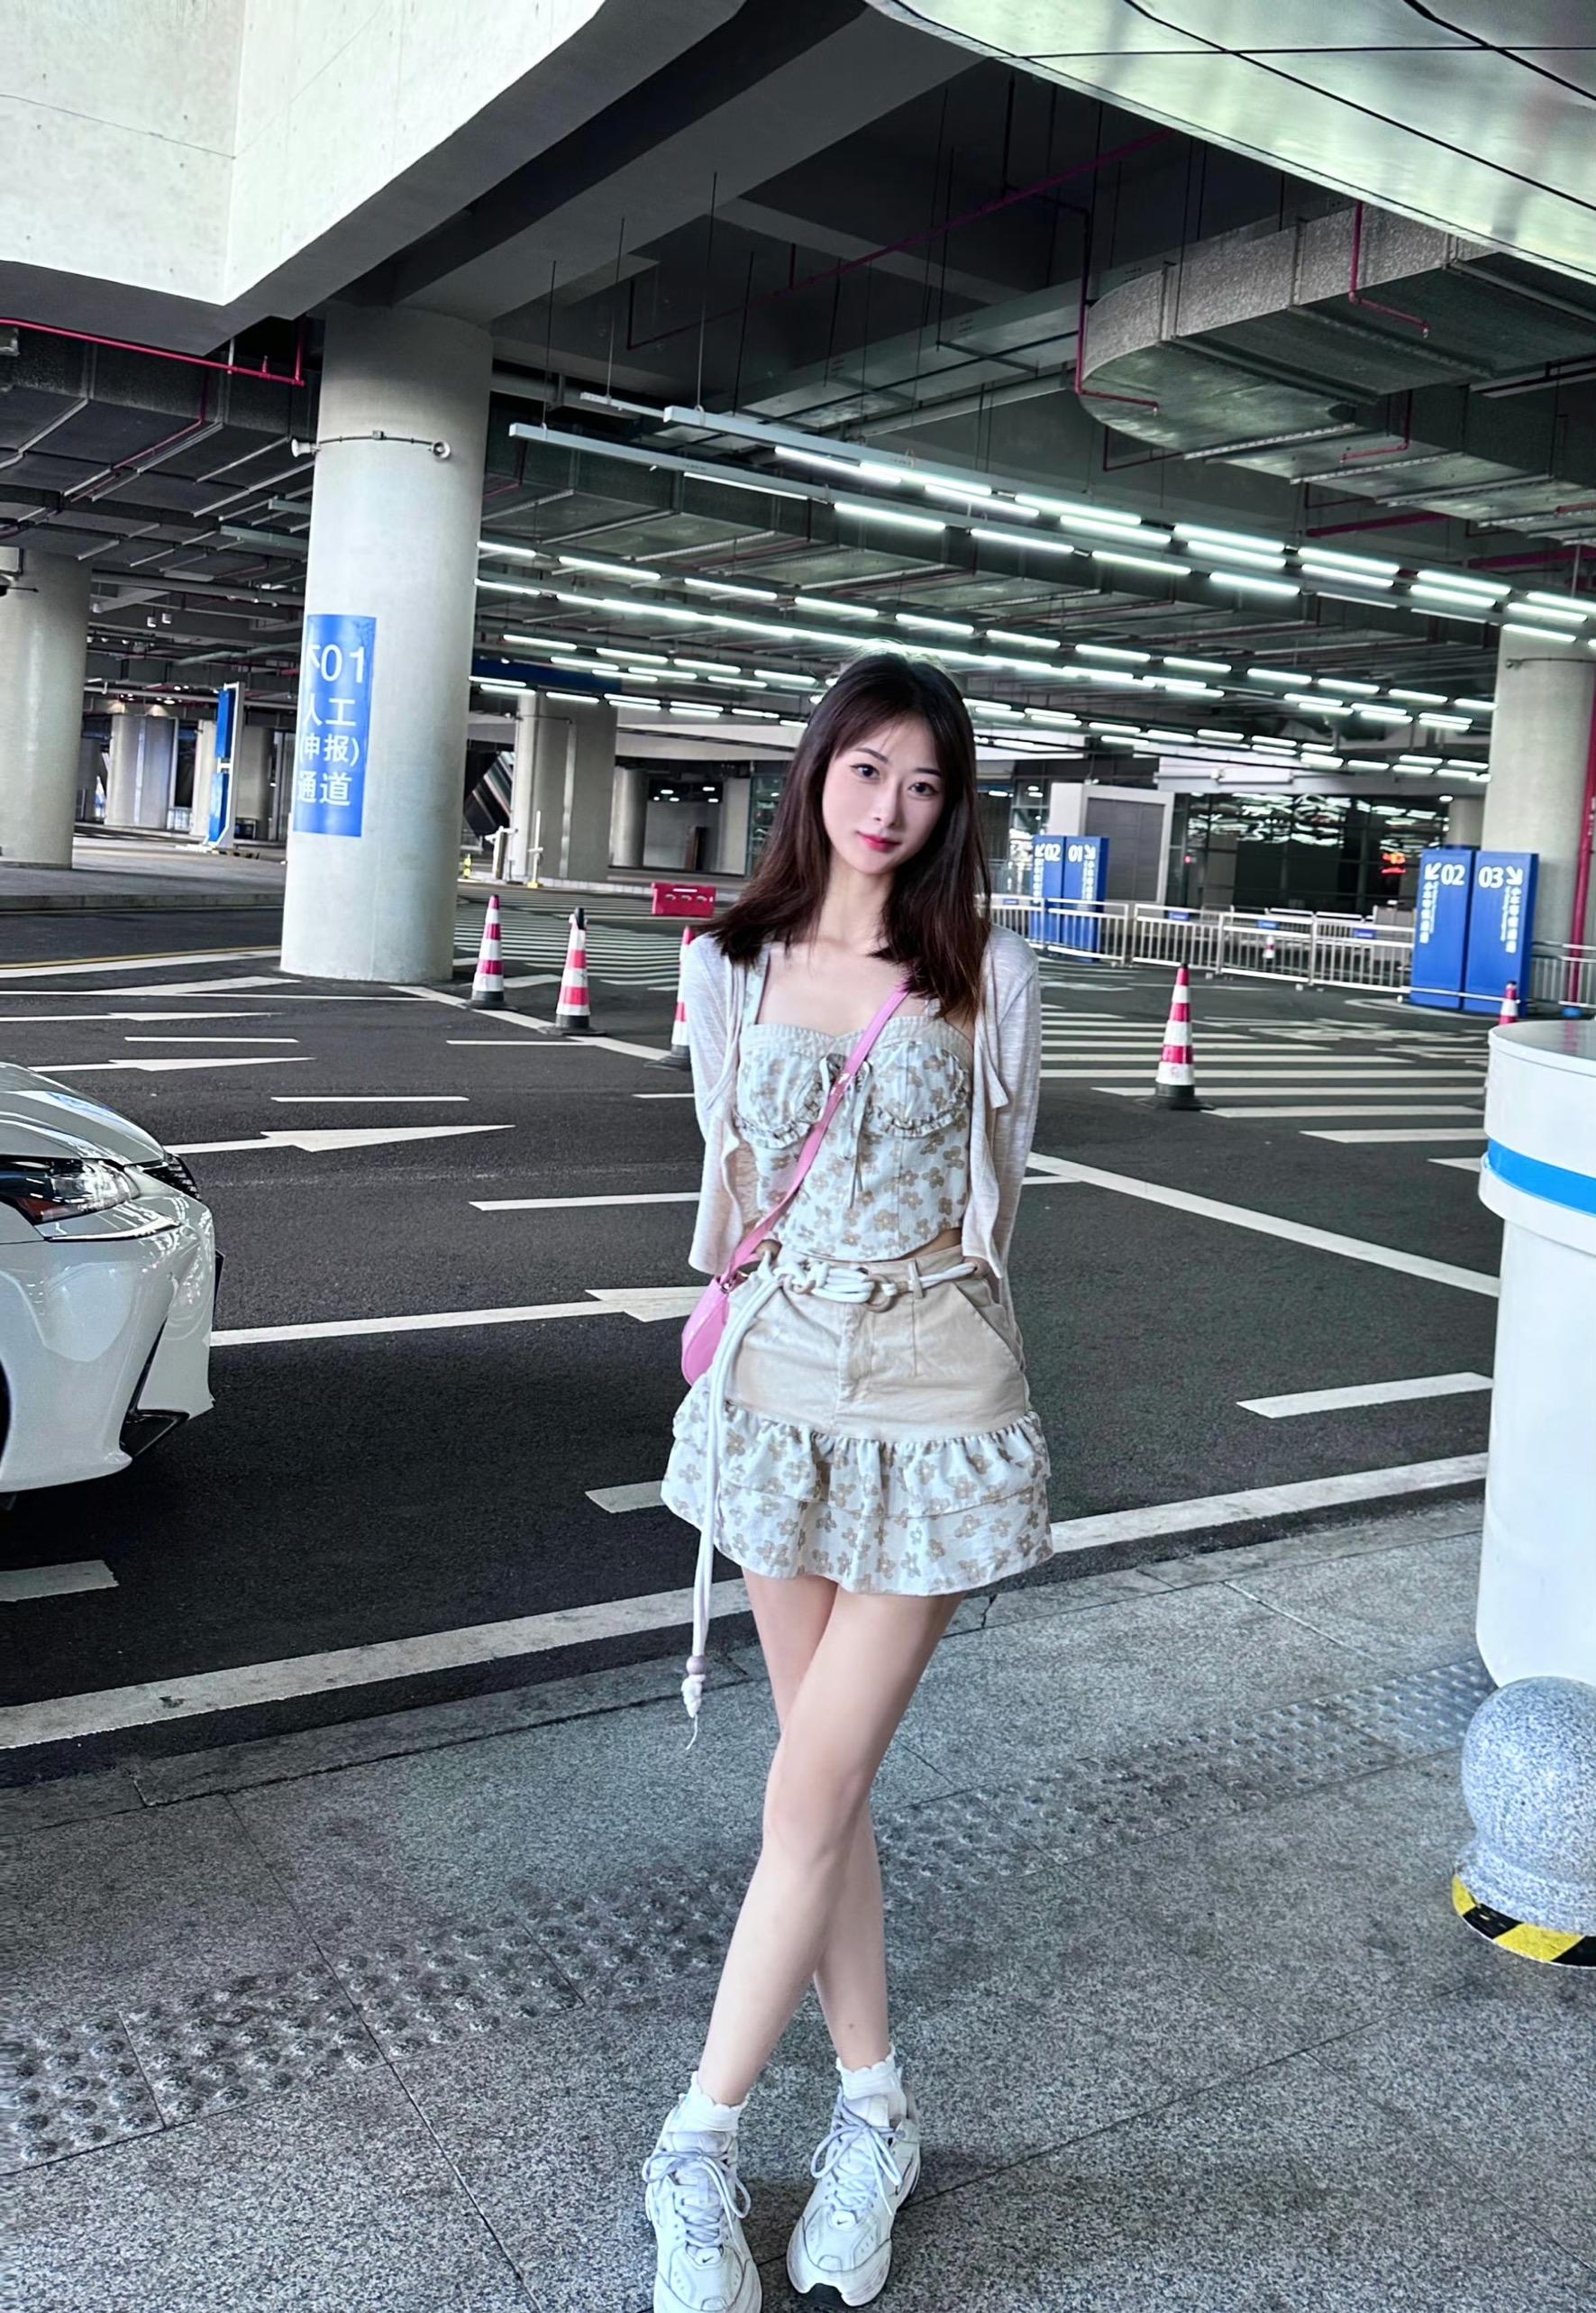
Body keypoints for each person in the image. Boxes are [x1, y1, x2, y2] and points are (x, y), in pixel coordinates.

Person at [643, 652, 1053, 2312]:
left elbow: (999, 1196)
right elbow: (732, 1175)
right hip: (779, 1388)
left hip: (937, 1387)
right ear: (817, 770)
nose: (891, 807)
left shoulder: (985, 969)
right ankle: (875, 2109)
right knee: (828, 1784)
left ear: (954, 809)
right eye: (868, 768)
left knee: (809, 1790)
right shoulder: (727, 964)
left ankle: (695, 2137)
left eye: (926, 783)